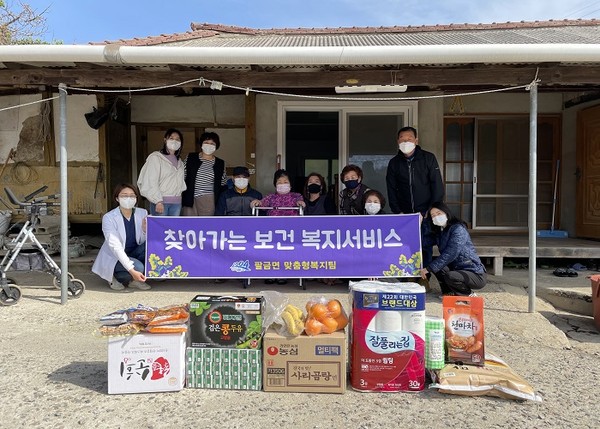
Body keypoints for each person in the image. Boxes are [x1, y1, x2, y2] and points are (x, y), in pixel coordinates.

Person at [386, 126, 444, 270]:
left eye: (409, 139)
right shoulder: (394, 163)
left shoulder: (428, 158)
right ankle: (407, 278)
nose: (406, 141)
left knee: (425, 247)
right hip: (404, 215)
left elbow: (436, 185)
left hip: (425, 214)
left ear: (416, 140)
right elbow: (391, 189)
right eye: (402, 139)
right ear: (397, 141)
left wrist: (429, 211)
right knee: (404, 248)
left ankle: (424, 278)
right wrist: (398, 212)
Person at [92, 183, 151, 291]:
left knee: (150, 245)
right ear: (117, 198)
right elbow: (115, 247)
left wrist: (144, 230)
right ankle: (114, 277)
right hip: (115, 256)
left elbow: (141, 240)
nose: (129, 198)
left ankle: (134, 281)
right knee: (138, 268)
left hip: (133, 252)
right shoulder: (109, 217)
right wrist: (132, 270)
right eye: (124, 195)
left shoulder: (142, 212)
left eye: (132, 195)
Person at [251, 169, 305, 285]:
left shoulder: (296, 196)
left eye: (285, 181)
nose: (282, 184)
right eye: (279, 182)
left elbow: (301, 202)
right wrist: (256, 202)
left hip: (290, 231)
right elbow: (261, 203)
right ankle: (270, 274)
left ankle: (283, 274)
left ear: (290, 184)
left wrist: (301, 203)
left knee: (286, 252)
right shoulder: (271, 197)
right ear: (275, 184)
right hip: (272, 230)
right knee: (271, 252)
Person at [421, 201, 486, 297]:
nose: (436, 217)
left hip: (474, 273)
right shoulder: (440, 232)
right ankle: (449, 293)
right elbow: (424, 242)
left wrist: (428, 269)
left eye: (439, 213)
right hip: (457, 268)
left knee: (449, 275)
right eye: (433, 216)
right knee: (438, 266)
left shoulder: (458, 229)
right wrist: (423, 222)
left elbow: (451, 252)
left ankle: (467, 294)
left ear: (446, 212)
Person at [137, 128, 186, 216]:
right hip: (161, 203)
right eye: (171, 138)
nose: (174, 141)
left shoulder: (180, 162)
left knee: (173, 229)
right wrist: (158, 201)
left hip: (177, 203)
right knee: (160, 229)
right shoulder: (156, 158)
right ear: (165, 140)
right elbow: (151, 181)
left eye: (178, 139)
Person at [182, 131, 228, 216]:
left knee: (205, 225)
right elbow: (182, 175)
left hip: (208, 199)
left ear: (216, 146)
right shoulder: (191, 157)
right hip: (189, 197)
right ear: (201, 144)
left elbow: (223, 183)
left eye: (212, 143)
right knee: (189, 225)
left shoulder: (220, 163)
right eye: (206, 142)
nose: (209, 145)